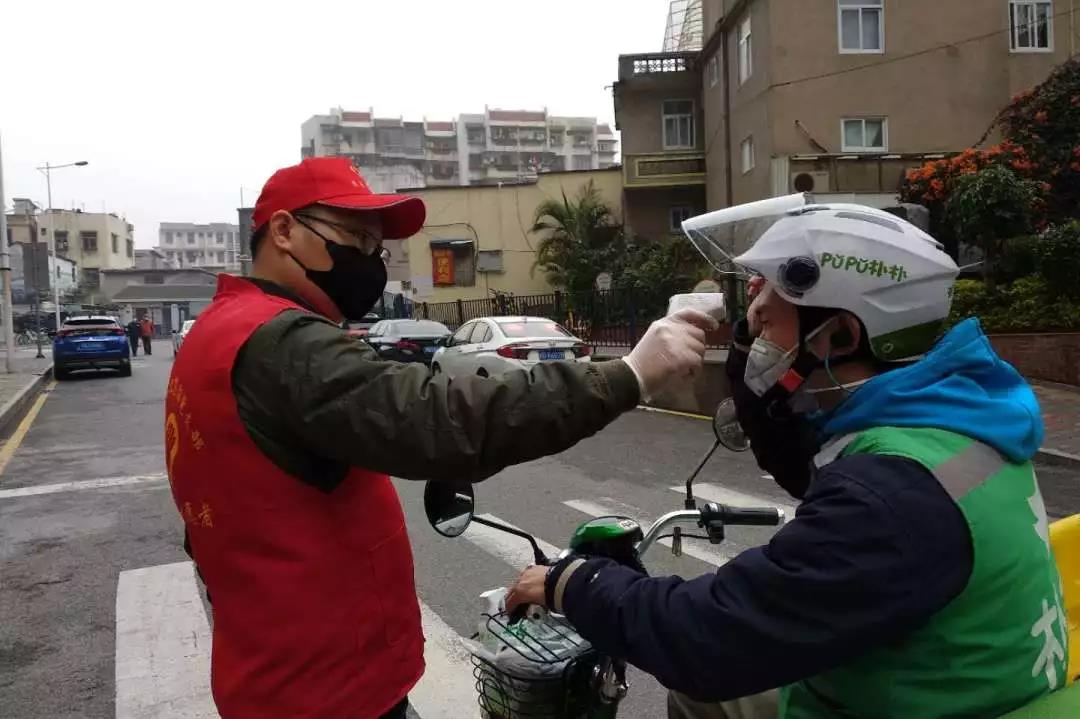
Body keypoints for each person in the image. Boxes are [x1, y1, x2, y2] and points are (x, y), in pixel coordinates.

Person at [164, 156, 716, 719]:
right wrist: (628, 375)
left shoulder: (217, 332)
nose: (368, 261)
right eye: (356, 238)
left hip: (274, 666)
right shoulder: (284, 342)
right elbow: (444, 420)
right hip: (326, 688)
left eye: (376, 248)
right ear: (283, 231)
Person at [507, 199, 1075, 718]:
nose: (755, 336)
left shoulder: (887, 495)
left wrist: (574, 582)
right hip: (961, 681)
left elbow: (710, 639)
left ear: (840, 336)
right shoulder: (955, 422)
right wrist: (755, 376)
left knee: (703, 686)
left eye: (767, 320)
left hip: (905, 704)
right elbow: (802, 472)